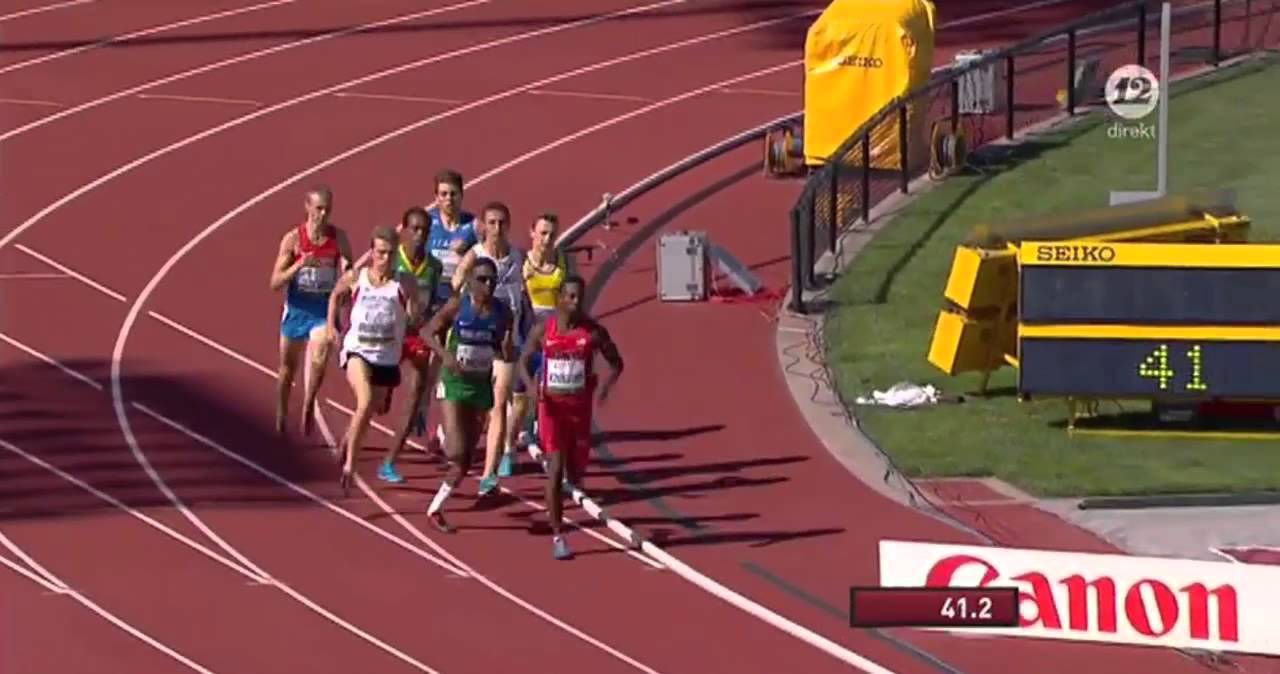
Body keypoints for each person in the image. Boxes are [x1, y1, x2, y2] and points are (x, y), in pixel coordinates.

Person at [518, 274, 623, 560]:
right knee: (554, 469)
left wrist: (604, 388)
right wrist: (530, 388)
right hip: (551, 408)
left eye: (580, 297)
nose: (575, 303)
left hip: (579, 411)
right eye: (570, 297)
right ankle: (558, 535)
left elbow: (616, 363)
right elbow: (524, 360)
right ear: (560, 298)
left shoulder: (593, 333)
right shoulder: (545, 329)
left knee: (575, 473)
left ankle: (573, 482)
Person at [422, 257, 514, 533]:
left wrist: (506, 351)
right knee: (456, 451)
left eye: (492, 279)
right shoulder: (456, 307)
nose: (488, 284)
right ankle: (443, 435)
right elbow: (427, 332)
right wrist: (446, 356)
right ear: (471, 281)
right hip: (453, 384)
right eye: (483, 279)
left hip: (481, 386)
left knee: (465, 461)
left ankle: (435, 508)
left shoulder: (503, 312)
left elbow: (501, 347)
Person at [327, 226, 420, 494]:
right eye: (380, 253)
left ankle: (347, 440)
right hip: (357, 351)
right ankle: (350, 467)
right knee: (365, 401)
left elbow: (415, 314)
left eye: (391, 254)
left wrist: (413, 320)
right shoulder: (357, 277)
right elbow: (335, 293)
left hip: (386, 357)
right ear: (371, 253)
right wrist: (332, 325)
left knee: (370, 412)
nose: (385, 259)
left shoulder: (405, 283)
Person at [451, 202, 529, 497]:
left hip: (506, 339)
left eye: (502, 223)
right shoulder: (476, 255)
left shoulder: (517, 258)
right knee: (478, 409)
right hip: (475, 342)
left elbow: (525, 295)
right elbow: (457, 284)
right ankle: (460, 444)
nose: (497, 229)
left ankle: (489, 473)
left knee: (499, 404)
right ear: (483, 225)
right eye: (491, 223)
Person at [269, 185, 354, 438]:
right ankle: (281, 413)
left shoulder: (339, 238)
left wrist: (348, 278)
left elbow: (349, 268)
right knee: (287, 369)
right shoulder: (293, 239)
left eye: (327, 209)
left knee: (320, 352)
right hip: (296, 310)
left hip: (321, 311)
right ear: (307, 207)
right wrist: (298, 265)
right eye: (318, 208)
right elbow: (274, 283)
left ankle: (308, 404)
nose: (323, 214)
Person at [378, 206, 444, 484]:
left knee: (416, 391)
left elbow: (432, 303)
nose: (419, 235)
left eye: (425, 231)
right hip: (390, 334)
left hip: (416, 336)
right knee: (376, 404)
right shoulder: (393, 262)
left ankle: (389, 462)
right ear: (403, 230)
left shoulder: (434, 267)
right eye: (414, 229)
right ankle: (350, 442)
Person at [505, 213, 567, 475]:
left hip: (552, 342)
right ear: (532, 233)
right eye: (542, 233)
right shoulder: (521, 262)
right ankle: (507, 449)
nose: (547, 239)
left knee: (551, 399)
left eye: (552, 234)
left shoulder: (563, 263)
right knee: (519, 401)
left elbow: (568, 302)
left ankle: (548, 447)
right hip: (525, 340)